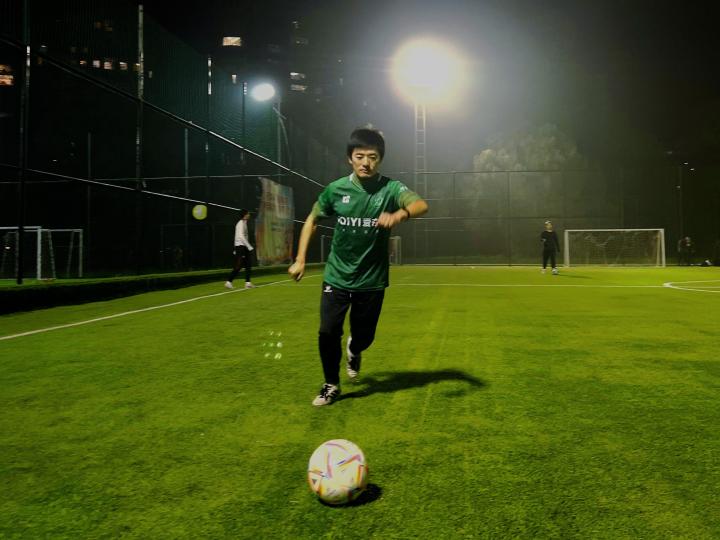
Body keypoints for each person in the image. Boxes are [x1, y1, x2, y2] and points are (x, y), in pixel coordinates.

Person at [288, 128, 429, 406]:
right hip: (337, 276)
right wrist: (300, 258)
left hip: (371, 280)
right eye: (360, 156)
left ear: (380, 159)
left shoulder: (391, 189)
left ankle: (355, 348)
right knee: (328, 331)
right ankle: (331, 384)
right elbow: (313, 219)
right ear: (349, 158)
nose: (366, 163)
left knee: (364, 337)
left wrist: (399, 214)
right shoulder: (336, 189)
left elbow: (421, 205)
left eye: (372, 157)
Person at [225, 209, 255, 289]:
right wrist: (249, 246)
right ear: (244, 215)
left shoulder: (244, 223)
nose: (249, 215)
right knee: (239, 266)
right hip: (241, 247)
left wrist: (247, 247)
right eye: (248, 213)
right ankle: (228, 282)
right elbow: (240, 237)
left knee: (248, 264)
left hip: (243, 247)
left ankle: (248, 283)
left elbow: (242, 236)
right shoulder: (240, 223)